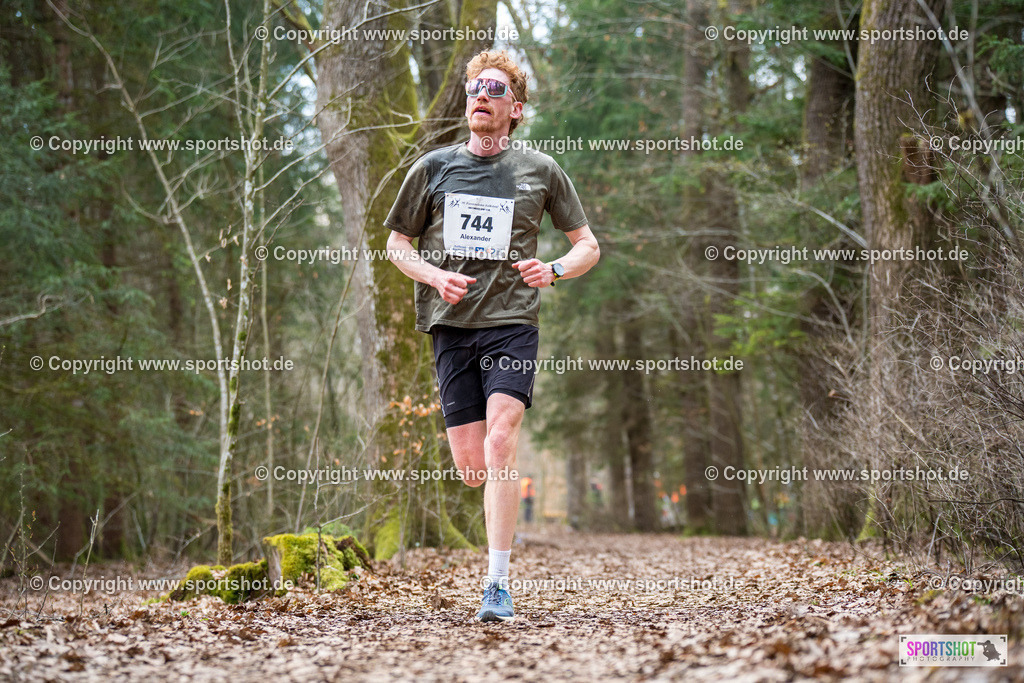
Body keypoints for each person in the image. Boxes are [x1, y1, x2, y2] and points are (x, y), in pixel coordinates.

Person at [384, 49, 599, 622]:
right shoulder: (432, 168)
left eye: (495, 88)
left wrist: (553, 269)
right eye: (475, 86)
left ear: (516, 109)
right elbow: (396, 246)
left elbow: (588, 246)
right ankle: (494, 543)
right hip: (451, 326)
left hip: (512, 323)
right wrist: (434, 276)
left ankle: (497, 585)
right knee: (473, 466)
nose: (481, 94)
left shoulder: (541, 171)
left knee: (501, 441)